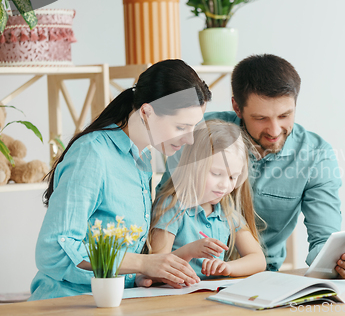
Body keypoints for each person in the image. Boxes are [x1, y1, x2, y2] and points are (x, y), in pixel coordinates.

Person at [157, 54, 345, 278]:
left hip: (261, 276)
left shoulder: (316, 155)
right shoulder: (201, 136)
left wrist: (339, 261)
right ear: (237, 107)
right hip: (186, 276)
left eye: (284, 115)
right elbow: (166, 204)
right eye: (261, 118)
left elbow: (324, 240)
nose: (274, 130)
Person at [29, 60, 212, 301]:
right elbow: (53, 251)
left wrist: (142, 274)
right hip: (67, 302)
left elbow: (114, 258)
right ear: (147, 112)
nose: (189, 139)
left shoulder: (142, 158)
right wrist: (143, 263)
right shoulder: (92, 154)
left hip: (117, 301)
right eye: (181, 126)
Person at [147, 120, 266, 282]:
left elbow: (258, 260)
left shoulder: (227, 209)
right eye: (217, 174)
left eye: (233, 177)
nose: (225, 184)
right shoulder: (172, 206)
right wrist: (189, 251)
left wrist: (228, 267)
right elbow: (153, 267)